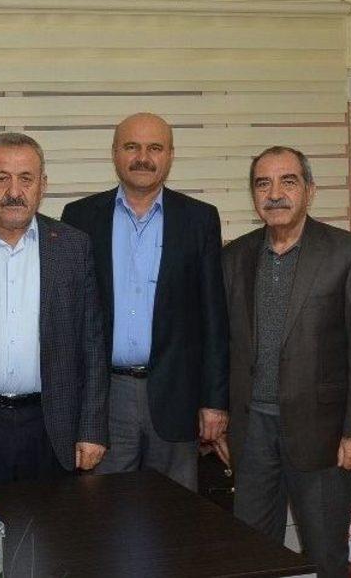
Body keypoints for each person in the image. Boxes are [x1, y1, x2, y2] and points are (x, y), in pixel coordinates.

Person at [218, 146, 351, 578]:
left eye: (288, 181)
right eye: (262, 184)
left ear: (310, 190)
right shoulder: (234, 257)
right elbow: (225, 346)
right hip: (252, 431)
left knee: (326, 556)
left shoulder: (348, 252)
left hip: (323, 434)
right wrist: (224, 418)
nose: (275, 194)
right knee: (253, 555)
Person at [61, 112, 230, 491]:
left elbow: (214, 317)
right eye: (131, 147)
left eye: (155, 148)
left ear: (170, 155)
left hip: (177, 394)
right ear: (114, 153)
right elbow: (69, 318)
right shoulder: (80, 217)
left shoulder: (199, 219)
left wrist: (215, 401)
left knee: (176, 512)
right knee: (103, 509)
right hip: (106, 396)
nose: (143, 157)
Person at [0, 133, 108, 485]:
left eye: (26, 179)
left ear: (42, 185)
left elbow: (92, 345)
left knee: (54, 522)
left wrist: (92, 428)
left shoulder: (73, 247)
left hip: (52, 428)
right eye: (2, 178)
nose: (14, 191)